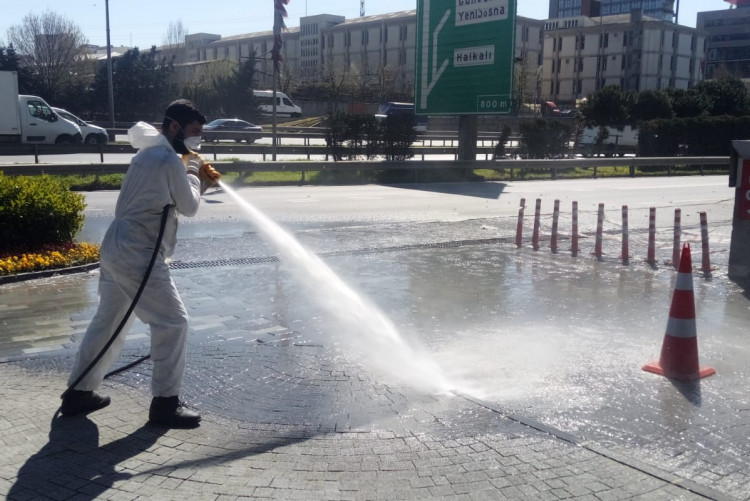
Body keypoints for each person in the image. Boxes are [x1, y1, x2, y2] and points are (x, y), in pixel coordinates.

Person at [61, 99, 220, 428]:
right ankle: (165, 403)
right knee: (173, 323)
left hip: (116, 246)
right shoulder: (168, 160)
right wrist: (194, 172)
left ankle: (79, 392)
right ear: (173, 127)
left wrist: (188, 167)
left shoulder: (148, 153)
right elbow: (189, 207)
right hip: (138, 252)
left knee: (107, 321)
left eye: (200, 136)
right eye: (193, 133)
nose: (197, 141)